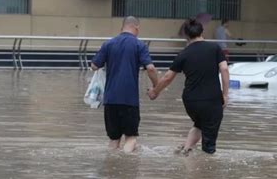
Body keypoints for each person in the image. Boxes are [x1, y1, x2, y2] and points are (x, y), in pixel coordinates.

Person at [148, 18, 229, 155]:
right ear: (202, 32)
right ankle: (205, 169)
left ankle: (186, 149)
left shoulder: (183, 54)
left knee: (199, 124)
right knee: (209, 142)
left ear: (186, 35)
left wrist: (155, 92)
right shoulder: (215, 48)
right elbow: (224, 69)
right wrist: (225, 94)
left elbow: (167, 77)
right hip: (211, 100)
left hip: (191, 101)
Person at [91, 16, 158, 153]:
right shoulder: (139, 45)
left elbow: (94, 66)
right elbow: (150, 68)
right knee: (131, 138)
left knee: (114, 139)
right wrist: (156, 86)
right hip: (129, 100)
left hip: (110, 100)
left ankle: (112, 166)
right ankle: (125, 166)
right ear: (137, 27)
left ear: (121, 28)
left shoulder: (108, 44)